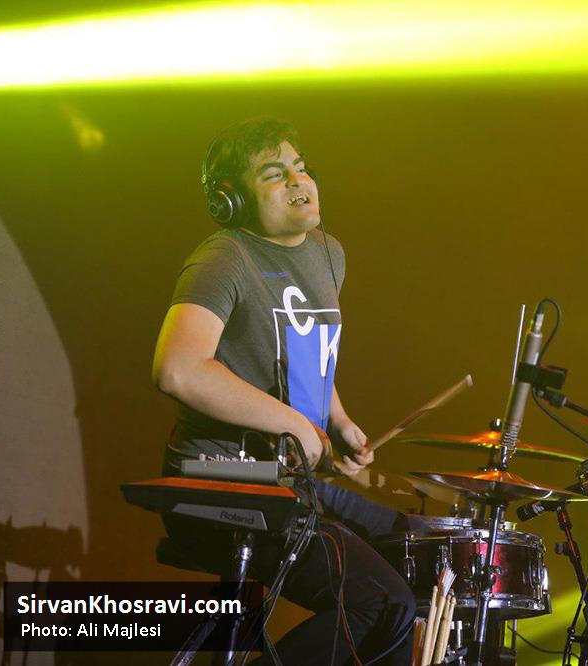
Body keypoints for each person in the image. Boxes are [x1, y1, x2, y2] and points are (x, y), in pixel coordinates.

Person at [152, 117, 415, 664]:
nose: (299, 181)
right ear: (231, 200)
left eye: (301, 167)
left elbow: (303, 352)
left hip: (289, 481)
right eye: (275, 174)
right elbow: (179, 369)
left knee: (408, 540)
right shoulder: (224, 257)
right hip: (219, 479)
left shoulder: (327, 254)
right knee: (383, 601)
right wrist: (297, 425)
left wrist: (337, 421)